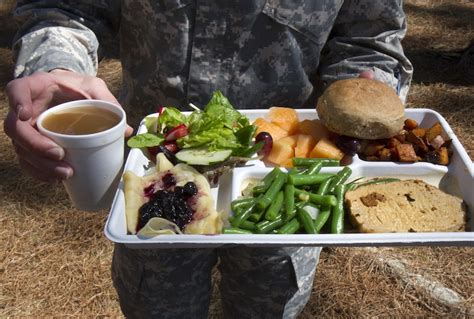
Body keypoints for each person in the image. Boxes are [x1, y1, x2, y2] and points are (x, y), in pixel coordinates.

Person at [4, 1, 413, 318]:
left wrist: (366, 94)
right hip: (154, 176)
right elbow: (64, 9)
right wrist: (55, 66)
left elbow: (369, 37)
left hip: (281, 183)